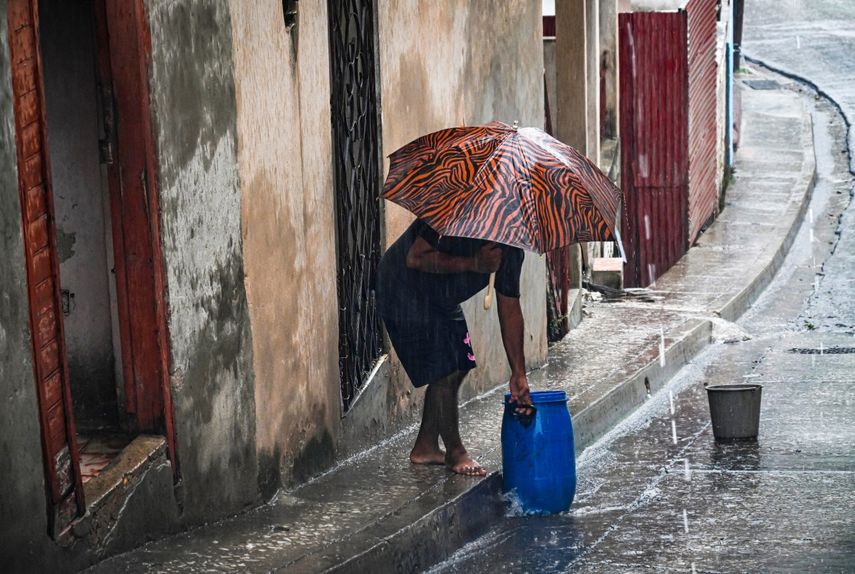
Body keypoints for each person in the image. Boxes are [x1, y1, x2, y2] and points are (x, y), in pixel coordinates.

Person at [376, 219, 533, 477]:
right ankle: (455, 452)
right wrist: (474, 264)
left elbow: (510, 306)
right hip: (401, 288)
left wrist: (518, 373)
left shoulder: (511, 247)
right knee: (445, 370)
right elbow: (415, 257)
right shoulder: (454, 217)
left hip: (441, 299)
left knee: (460, 364)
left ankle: (425, 446)